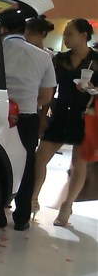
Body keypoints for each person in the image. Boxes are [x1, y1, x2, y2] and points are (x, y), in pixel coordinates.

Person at [32, 19, 98, 227]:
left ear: (83, 36)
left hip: (84, 116)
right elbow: (49, 88)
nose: (66, 37)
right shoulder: (60, 59)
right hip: (60, 113)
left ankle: (67, 207)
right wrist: (43, 115)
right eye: (65, 33)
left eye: (69, 33)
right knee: (40, 158)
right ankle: (32, 200)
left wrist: (92, 89)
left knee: (78, 164)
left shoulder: (96, 61)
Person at [0, 15, 56, 231]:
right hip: (26, 117)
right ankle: (21, 218)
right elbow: (46, 96)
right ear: (24, 31)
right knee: (27, 165)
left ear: (3, 29)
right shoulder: (44, 57)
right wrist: (28, 102)